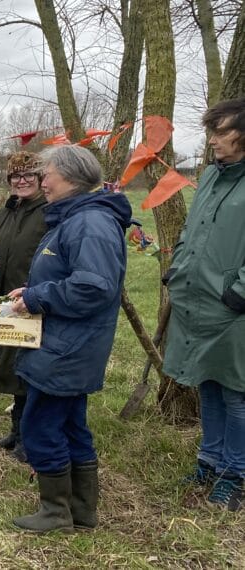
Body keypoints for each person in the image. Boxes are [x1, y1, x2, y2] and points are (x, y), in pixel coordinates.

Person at [6, 144, 131, 532]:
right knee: (71, 424)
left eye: (47, 174)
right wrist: (32, 289)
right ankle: (81, 511)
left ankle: (56, 512)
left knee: (41, 425)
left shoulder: (89, 223)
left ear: (72, 177)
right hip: (69, 342)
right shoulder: (77, 219)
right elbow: (72, 276)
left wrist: (38, 297)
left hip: (67, 347)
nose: (41, 181)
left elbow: (93, 287)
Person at [164, 96, 245, 511]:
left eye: (221, 131)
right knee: (209, 385)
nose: (212, 139)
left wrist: (240, 292)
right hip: (199, 301)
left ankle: (237, 474)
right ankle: (210, 462)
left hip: (234, 309)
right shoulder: (213, 176)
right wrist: (178, 266)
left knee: (237, 393)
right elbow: (191, 229)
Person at [0, 151, 47, 463]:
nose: (21, 181)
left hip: (33, 303)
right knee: (8, 367)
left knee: (28, 370)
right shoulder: (1, 215)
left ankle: (29, 439)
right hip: (4, 302)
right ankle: (16, 432)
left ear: (40, 178)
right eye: (15, 176)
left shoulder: (49, 213)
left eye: (28, 175)